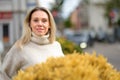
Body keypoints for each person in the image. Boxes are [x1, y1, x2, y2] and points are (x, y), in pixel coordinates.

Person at [0, 7, 64, 80]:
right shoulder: (20, 47)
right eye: (36, 20)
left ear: (49, 25)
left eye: (44, 21)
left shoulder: (56, 46)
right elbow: (4, 75)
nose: (40, 24)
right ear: (29, 24)